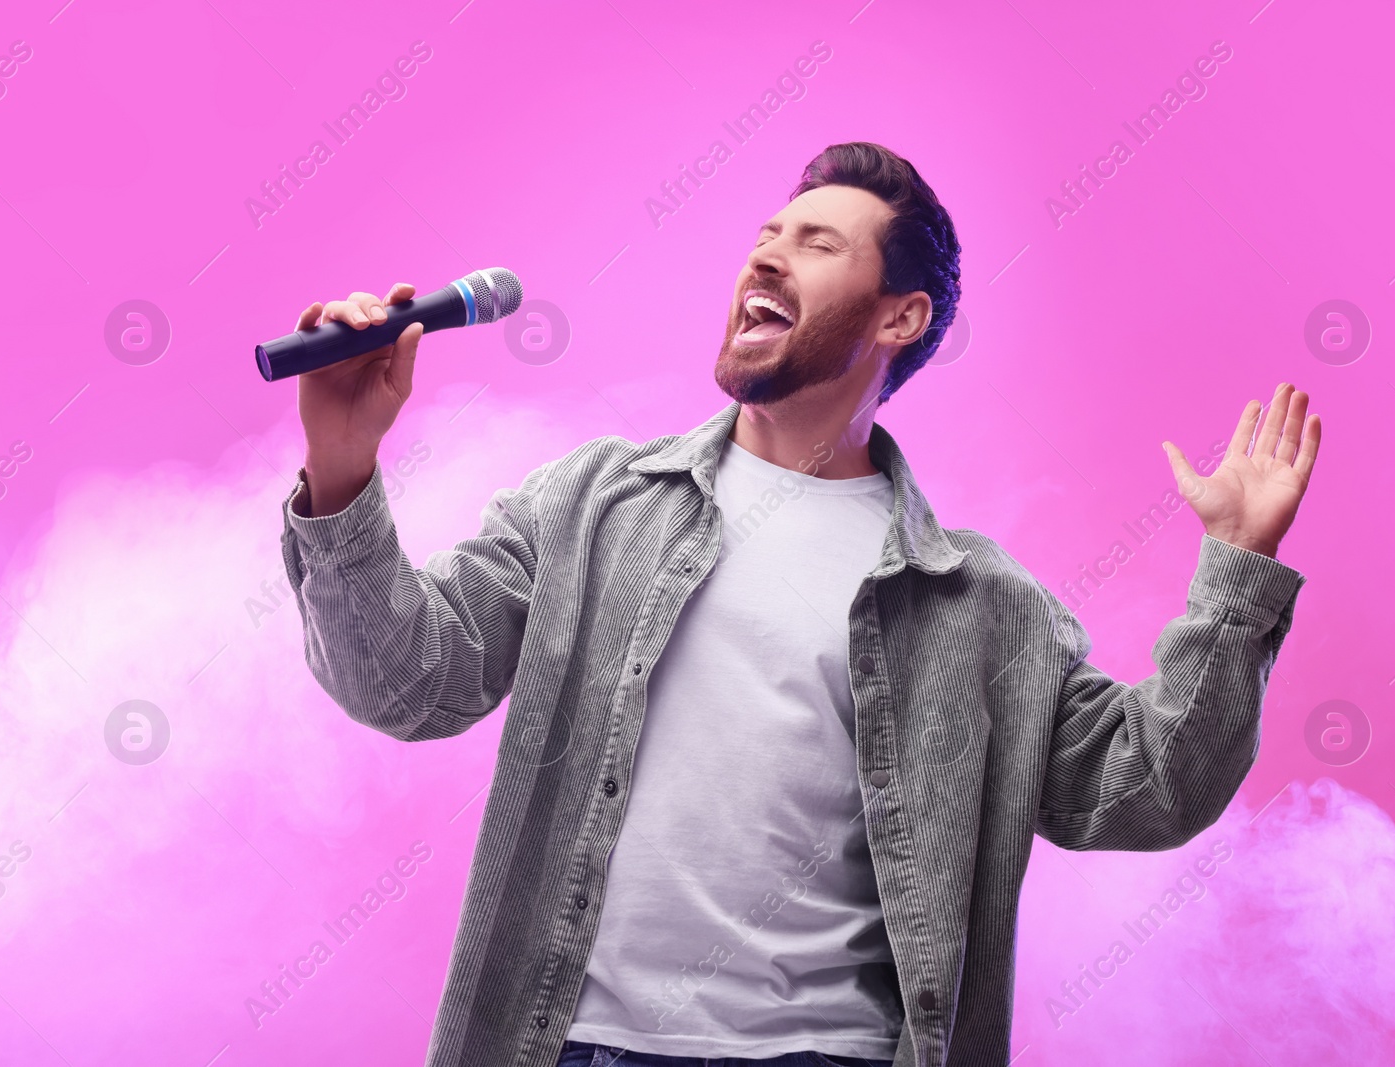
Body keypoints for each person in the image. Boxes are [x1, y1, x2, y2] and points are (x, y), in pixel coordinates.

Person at [278, 141, 1319, 1067]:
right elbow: (408, 684)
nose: (764, 259)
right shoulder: (590, 506)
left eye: (817, 244)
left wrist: (1237, 558)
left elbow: (1145, 789)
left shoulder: (979, 603)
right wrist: (341, 460)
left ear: (899, 316)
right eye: (765, 236)